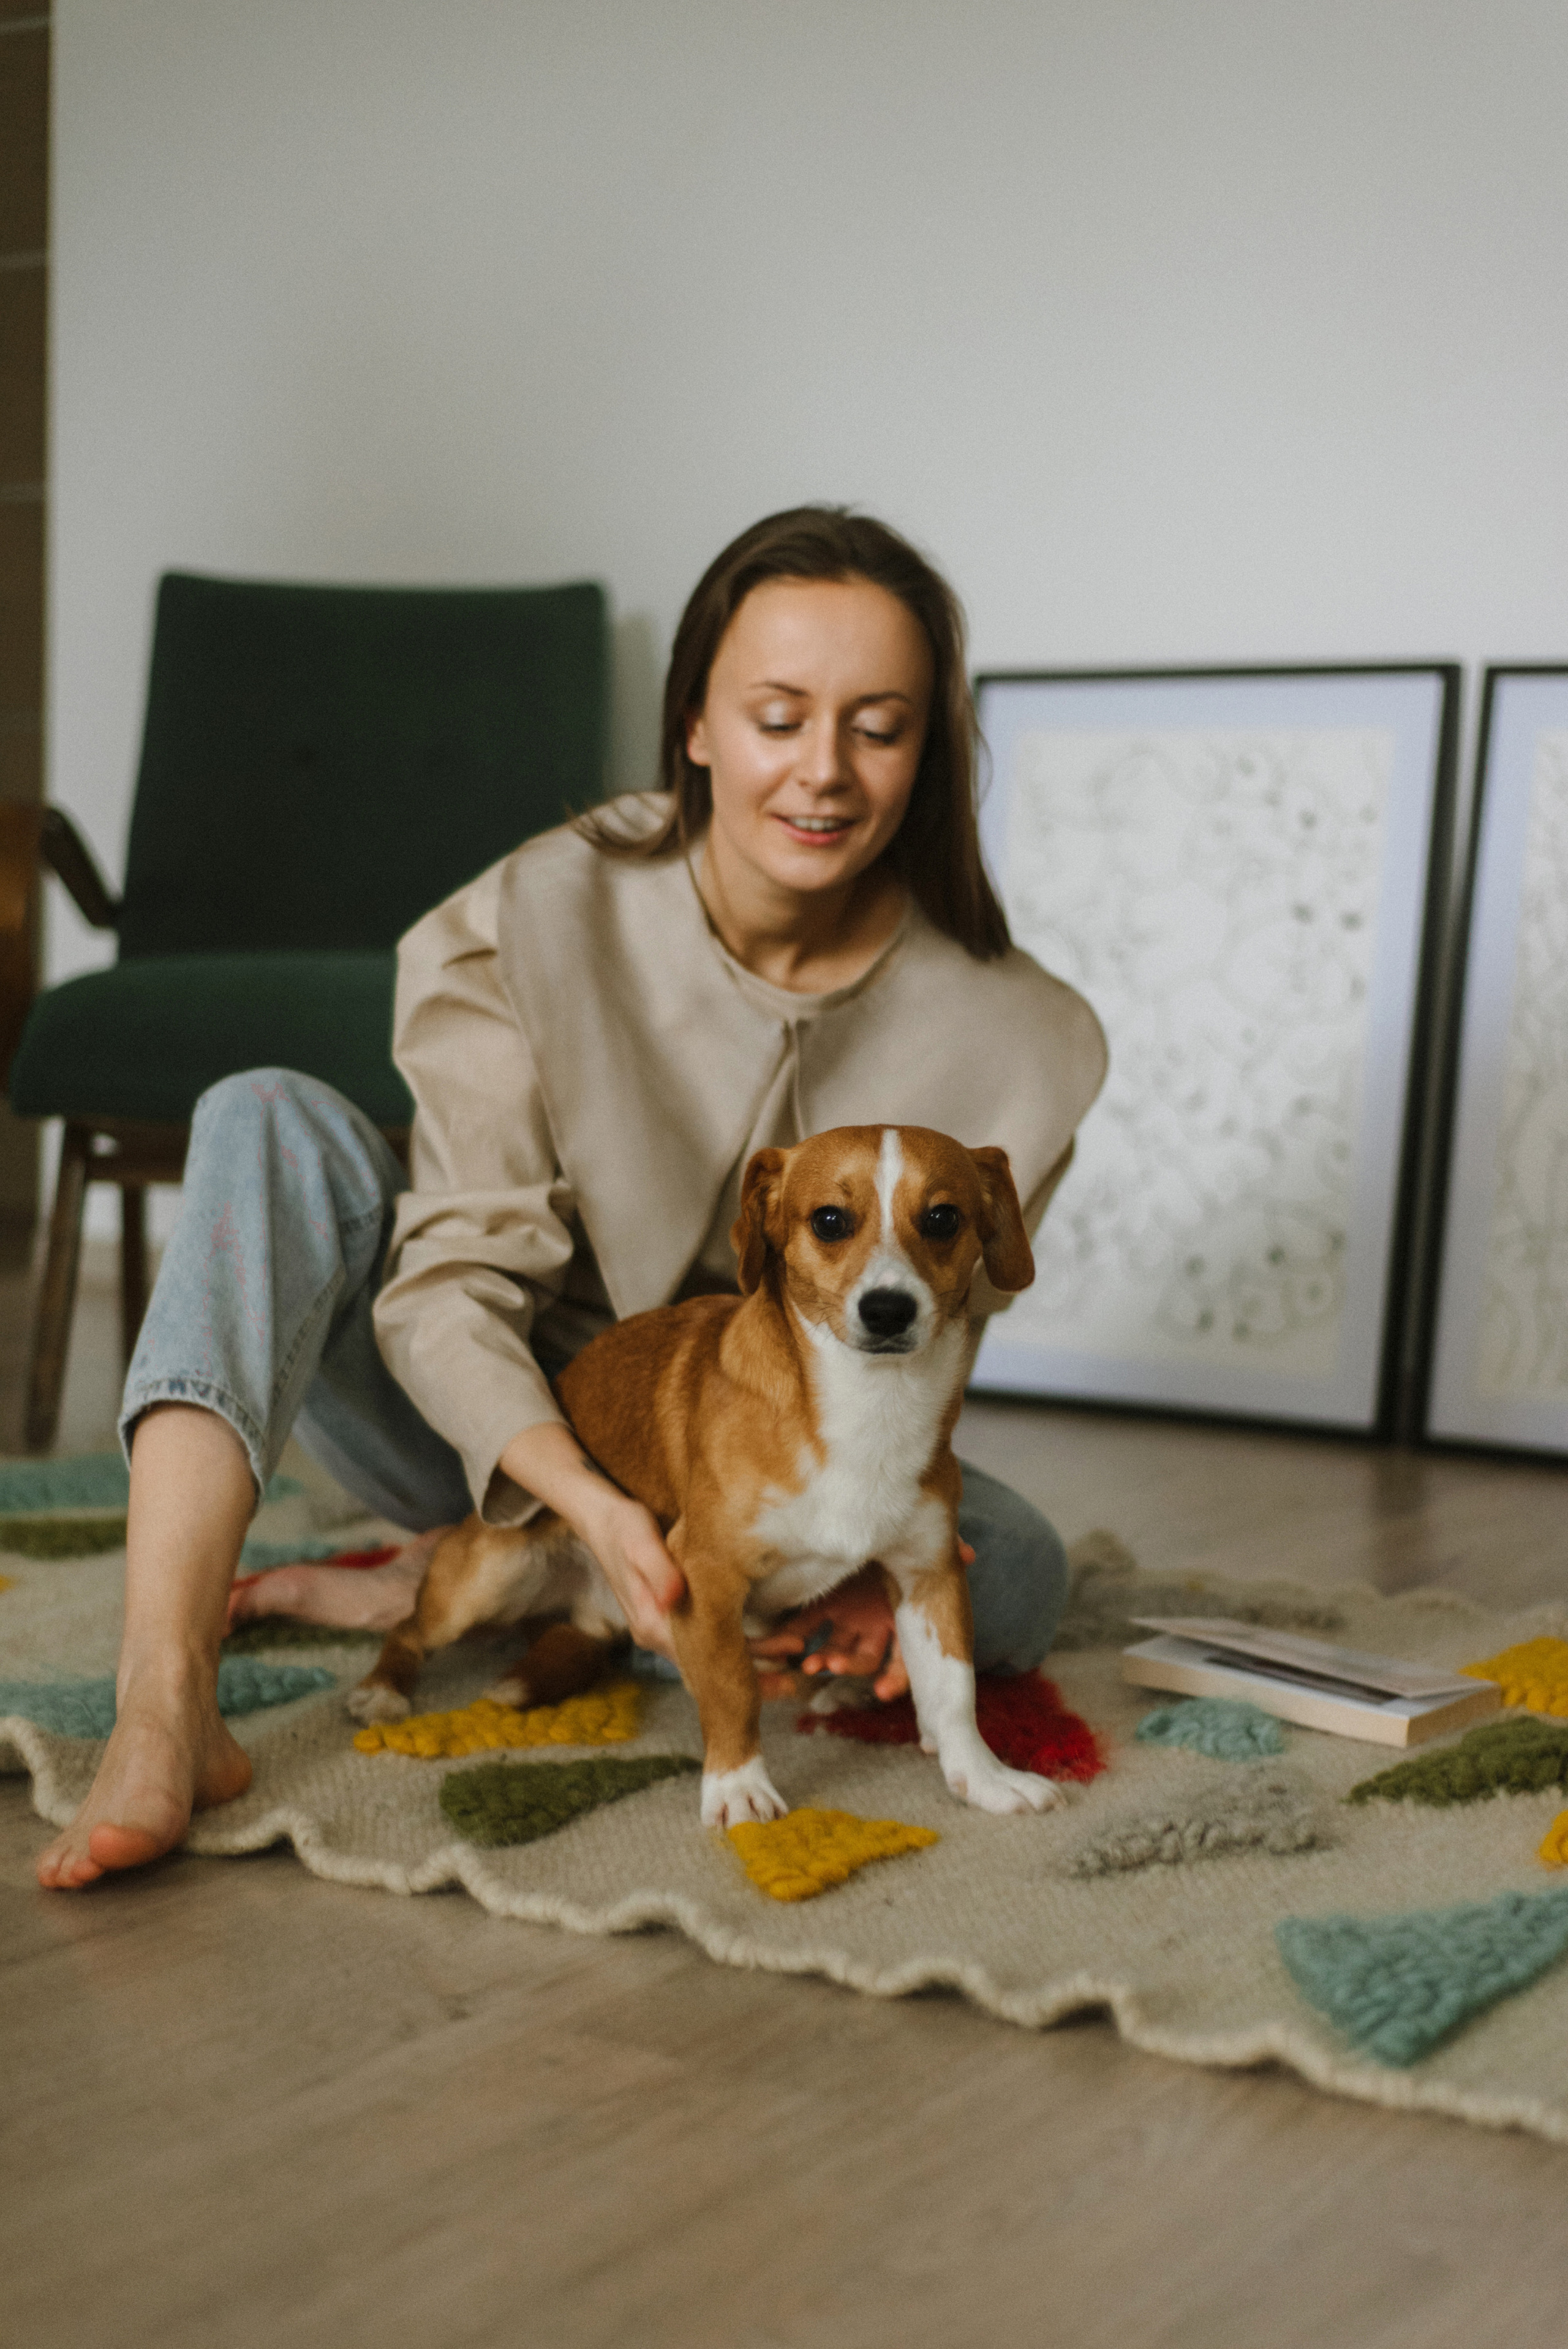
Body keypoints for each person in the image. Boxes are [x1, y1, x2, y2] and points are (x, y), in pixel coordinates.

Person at [36, 505, 1106, 1891]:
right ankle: (167, 1697)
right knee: (263, 1114)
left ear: (928, 748)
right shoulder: (544, 907)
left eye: (878, 726)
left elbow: (933, 1343)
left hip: (757, 1449)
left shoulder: (1026, 1036)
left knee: (1011, 1567)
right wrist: (591, 1510)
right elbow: (453, 1285)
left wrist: (775, 1521)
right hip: (492, 1417)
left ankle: (440, 1585)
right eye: (777, 715)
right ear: (698, 725)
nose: (823, 773)